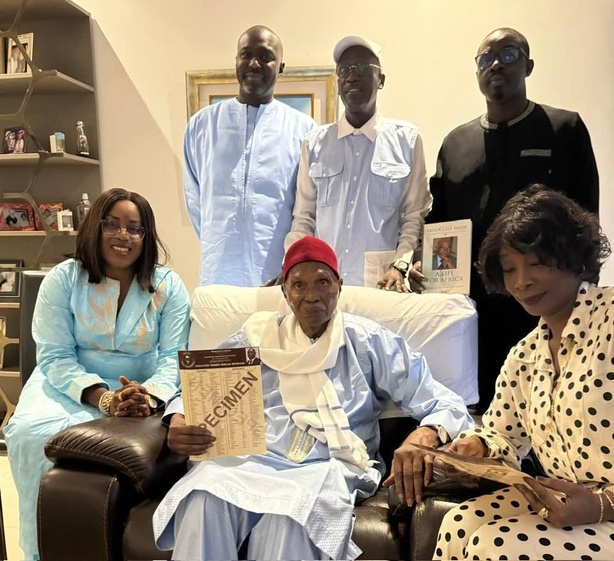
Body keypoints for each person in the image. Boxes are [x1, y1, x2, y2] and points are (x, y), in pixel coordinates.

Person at [153, 236, 473, 560]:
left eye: (322, 282)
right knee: (203, 497)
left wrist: (426, 433)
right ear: (285, 292)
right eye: (298, 285)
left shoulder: (368, 341)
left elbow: (444, 402)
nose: (311, 296)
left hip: (327, 464)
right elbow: (194, 389)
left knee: (289, 517)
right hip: (255, 461)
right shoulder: (257, 337)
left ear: (339, 286)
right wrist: (179, 418)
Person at [411, 27, 600, 412]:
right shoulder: (455, 143)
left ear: (528, 66)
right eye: (486, 58)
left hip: (543, 303)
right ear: (477, 71)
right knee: (480, 411)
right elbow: (437, 222)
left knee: (551, 407)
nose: (496, 64)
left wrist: (582, 305)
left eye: (509, 54)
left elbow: (586, 223)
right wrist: (419, 261)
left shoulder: (564, 129)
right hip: (470, 311)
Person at [4, 188, 191, 560]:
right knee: (30, 433)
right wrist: (104, 398)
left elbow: (173, 358)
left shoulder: (168, 286)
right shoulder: (63, 279)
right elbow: (55, 356)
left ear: (146, 236)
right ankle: (43, 551)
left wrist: (147, 397)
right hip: (65, 383)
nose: (124, 235)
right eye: (112, 224)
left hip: (143, 390)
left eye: (135, 228)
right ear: (95, 227)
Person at [434, 186, 613, 560]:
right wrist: (479, 446)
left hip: (605, 510)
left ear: (573, 255)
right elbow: (502, 433)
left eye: (537, 263)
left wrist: (602, 505)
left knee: (495, 545)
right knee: (457, 524)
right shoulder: (525, 355)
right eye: (509, 269)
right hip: (563, 501)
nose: (521, 282)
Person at [285, 36, 432, 291]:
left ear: (381, 80)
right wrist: (293, 268)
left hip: (384, 284)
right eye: (344, 70)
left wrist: (400, 266)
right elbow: (304, 219)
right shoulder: (314, 144)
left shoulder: (406, 141)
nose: (352, 76)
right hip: (323, 286)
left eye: (363, 68)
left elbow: (413, 216)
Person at [184, 25, 316, 287]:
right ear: (236, 60)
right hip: (218, 274)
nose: (254, 63)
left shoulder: (304, 130)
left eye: (266, 57)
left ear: (281, 67)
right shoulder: (202, 125)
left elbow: (307, 209)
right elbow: (195, 202)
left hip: (279, 278)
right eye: (246, 55)